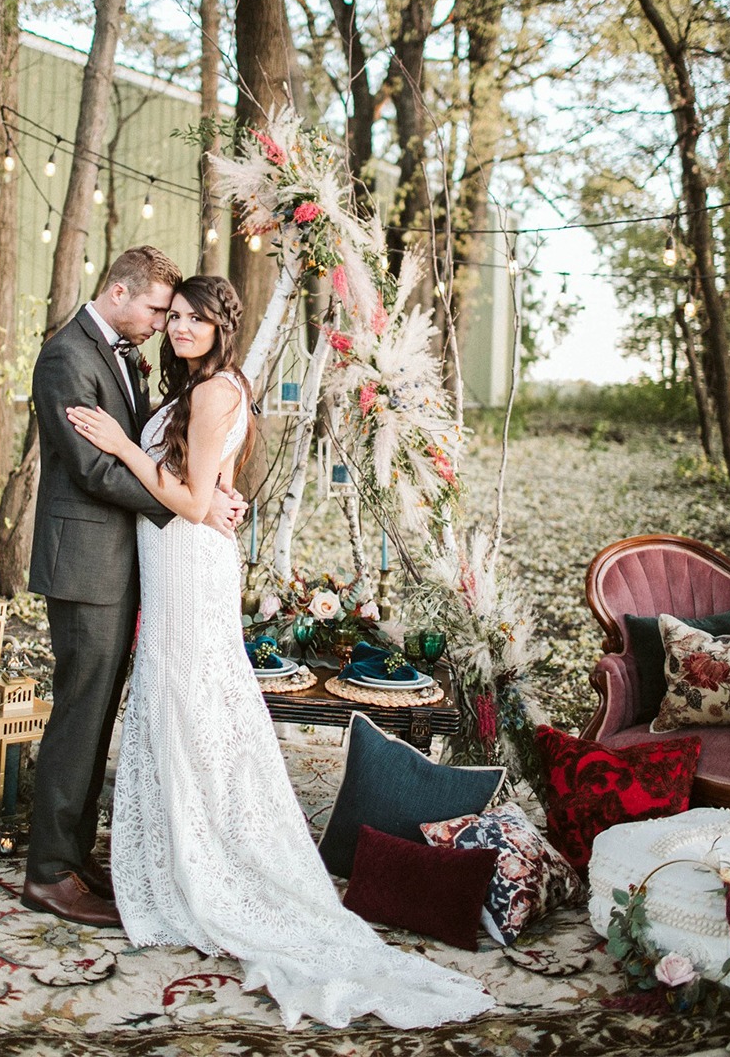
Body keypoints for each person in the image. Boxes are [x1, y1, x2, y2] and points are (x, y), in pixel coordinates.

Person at [66, 274, 494, 1030]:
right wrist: (199, 480)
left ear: (222, 326)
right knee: (182, 704)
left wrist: (124, 448)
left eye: (197, 319)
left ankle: (214, 864)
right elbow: (215, 487)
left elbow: (195, 502)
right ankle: (184, 852)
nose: (182, 329)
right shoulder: (212, 386)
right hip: (178, 559)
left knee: (192, 703)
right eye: (178, 318)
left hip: (188, 560)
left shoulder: (214, 392)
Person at [22, 247, 245, 929]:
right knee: (78, 715)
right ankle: (48, 873)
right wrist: (189, 504)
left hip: (122, 566)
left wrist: (205, 494)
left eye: (176, 315)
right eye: (157, 310)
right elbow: (93, 466)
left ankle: (75, 851)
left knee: (96, 716)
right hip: (85, 567)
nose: (161, 324)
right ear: (119, 292)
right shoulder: (68, 357)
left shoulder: (120, 352)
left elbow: (160, 448)